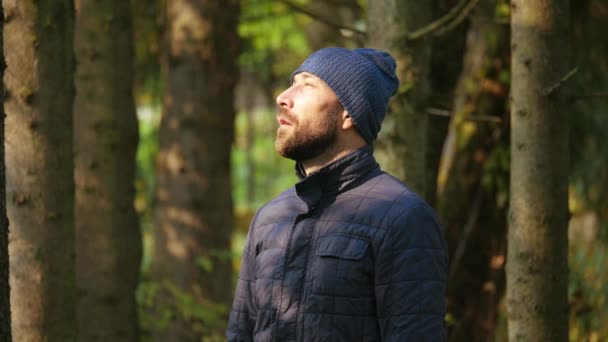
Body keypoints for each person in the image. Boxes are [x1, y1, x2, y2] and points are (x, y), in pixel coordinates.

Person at [227, 47, 448, 341]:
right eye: (292, 82)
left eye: (307, 85)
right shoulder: (270, 218)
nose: (283, 96)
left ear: (348, 114)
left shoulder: (403, 217)